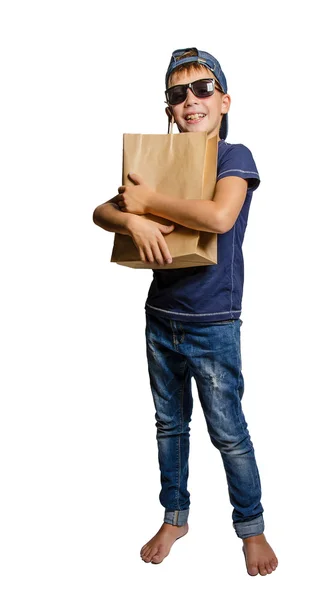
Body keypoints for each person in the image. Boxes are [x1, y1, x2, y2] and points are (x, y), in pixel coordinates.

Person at [93, 48, 278, 576]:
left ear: (224, 100)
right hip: (161, 317)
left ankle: (252, 527)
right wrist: (133, 221)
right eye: (178, 94)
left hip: (214, 322)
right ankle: (176, 517)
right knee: (169, 425)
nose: (190, 100)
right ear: (168, 110)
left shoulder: (232, 156)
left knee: (228, 431)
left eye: (202, 89)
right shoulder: (157, 166)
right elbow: (103, 209)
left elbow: (219, 216)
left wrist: (147, 203)